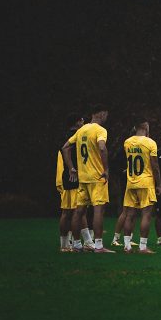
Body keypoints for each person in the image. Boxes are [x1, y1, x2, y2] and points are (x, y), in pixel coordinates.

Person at [62, 104, 114, 253]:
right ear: (101, 113)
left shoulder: (81, 130)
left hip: (83, 177)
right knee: (98, 210)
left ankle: (77, 244)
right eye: (106, 114)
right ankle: (98, 245)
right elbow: (102, 147)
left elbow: (65, 147)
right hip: (96, 176)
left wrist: (71, 168)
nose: (106, 117)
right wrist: (106, 169)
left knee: (79, 211)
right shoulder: (100, 130)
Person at [120, 118, 161, 254]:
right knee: (146, 215)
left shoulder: (127, 142)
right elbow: (155, 166)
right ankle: (142, 247)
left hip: (131, 182)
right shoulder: (150, 143)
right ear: (145, 128)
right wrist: (159, 184)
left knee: (129, 215)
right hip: (146, 182)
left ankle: (127, 246)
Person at [56, 113, 85, 252]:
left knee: (66, 212)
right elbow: (66, 150)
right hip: (74, 176)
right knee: (78, 212)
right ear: (77, 122)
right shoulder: (76, 136)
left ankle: (64, 245)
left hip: (66, 177)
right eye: (82, 120)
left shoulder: (64, 134)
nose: (83, 122)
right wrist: (72, 168)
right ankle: (77, 243)